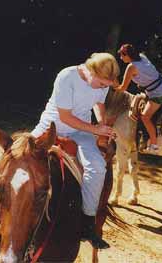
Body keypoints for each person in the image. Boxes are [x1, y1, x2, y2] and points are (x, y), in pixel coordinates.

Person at [31, 52, 120, 249]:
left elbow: (99, 104)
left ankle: (88, 223)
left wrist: (102, 125)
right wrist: (95, 129)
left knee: (97, 167)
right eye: (102, 83)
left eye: (107, 85)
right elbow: (65, 117)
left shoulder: (101, 83)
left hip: (82, 131)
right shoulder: (67, 76)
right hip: (51, 127)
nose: (104, 88)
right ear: (91, 71)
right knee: (16, 154)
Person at [115, 43, 162, 153]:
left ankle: (154, 145)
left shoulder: (131, 67)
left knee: (145, 117)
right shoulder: (142, 57)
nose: (121, 58)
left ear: (127, 55)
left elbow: (123, 88)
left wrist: (112, 85)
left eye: (122, 55)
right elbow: (148, 73)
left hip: (156, 92)